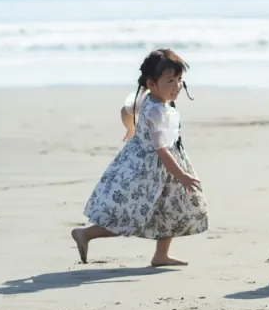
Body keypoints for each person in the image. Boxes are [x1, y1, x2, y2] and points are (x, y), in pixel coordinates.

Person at [71, 48, 208, 267]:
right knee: (131, 215)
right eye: (170, 81)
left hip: (148, 164)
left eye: (180, 80)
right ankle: (86, 234)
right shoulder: (157, 111)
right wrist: (181, 175)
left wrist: (131, 129)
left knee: (169, 209)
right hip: (151, 171)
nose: (177, 86)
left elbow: (126, 111)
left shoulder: (147, 98)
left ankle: (161, 255)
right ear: (151, 84)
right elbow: (161, 149)